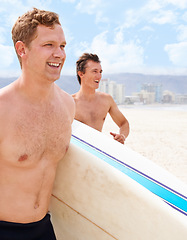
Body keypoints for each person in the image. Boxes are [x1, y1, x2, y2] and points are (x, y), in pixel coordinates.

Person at [0, 8, 75, 240]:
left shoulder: (67, 105)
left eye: (62, 46)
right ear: (22, 50)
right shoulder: (2, 109)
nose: (59, 54)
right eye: (49, 45)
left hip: (44, 228)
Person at [72, 53, 129, 144]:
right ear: (81, 74)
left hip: (97, 151)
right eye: (95, 71)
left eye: (100, 72)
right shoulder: (70, 103)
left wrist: (122, 136)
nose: (99, 76)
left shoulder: (106, 100)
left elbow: (124, 123)